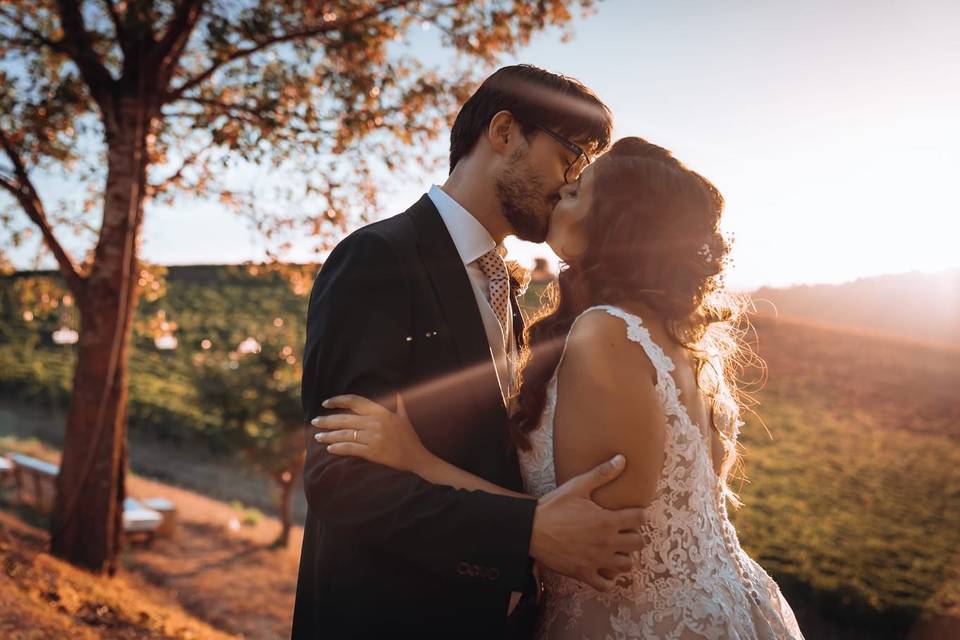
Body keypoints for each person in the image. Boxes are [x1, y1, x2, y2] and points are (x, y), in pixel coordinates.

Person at [314, 137, 806, 638]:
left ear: (613, 223)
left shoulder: (608, 333)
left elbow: (596, 541)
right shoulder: (674, 336)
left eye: (576, 191)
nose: (560, 192)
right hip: (717, 603)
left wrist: (419, 461)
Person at [292, 65, 650, 640]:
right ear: (505, 132)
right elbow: (340, 477)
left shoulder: (504, 288)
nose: (570, 182)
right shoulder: (378, 258)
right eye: (570, 156)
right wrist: (525, 532)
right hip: (383, 616)